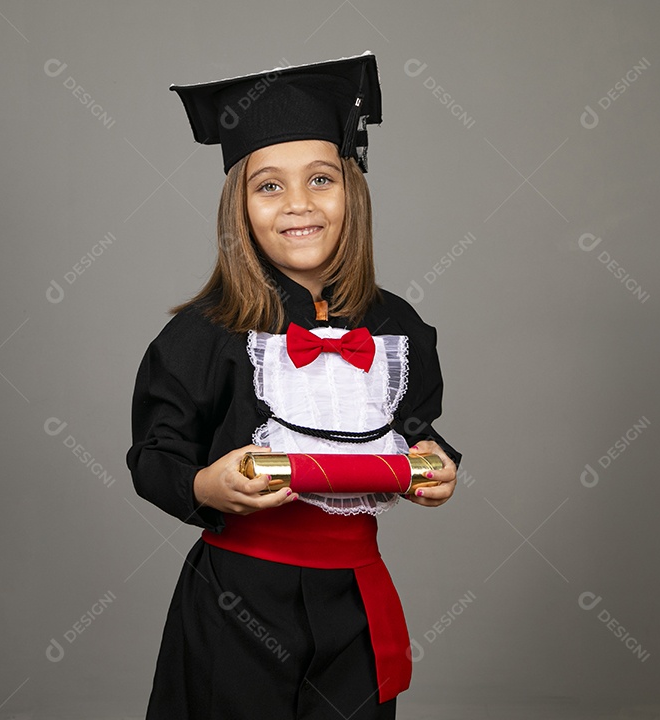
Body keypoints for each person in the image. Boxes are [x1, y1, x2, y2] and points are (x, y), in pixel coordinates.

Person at [126, 51, 462, 720]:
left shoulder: (400, 328)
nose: (299, 204)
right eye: (269, 186)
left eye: (320, 179)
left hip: (355, 607)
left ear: (353, 191)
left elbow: (418, 429)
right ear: (239, 206)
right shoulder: (204, 332)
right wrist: (205, 485)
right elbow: (155, 456)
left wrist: (437, 465)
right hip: (238, 604)